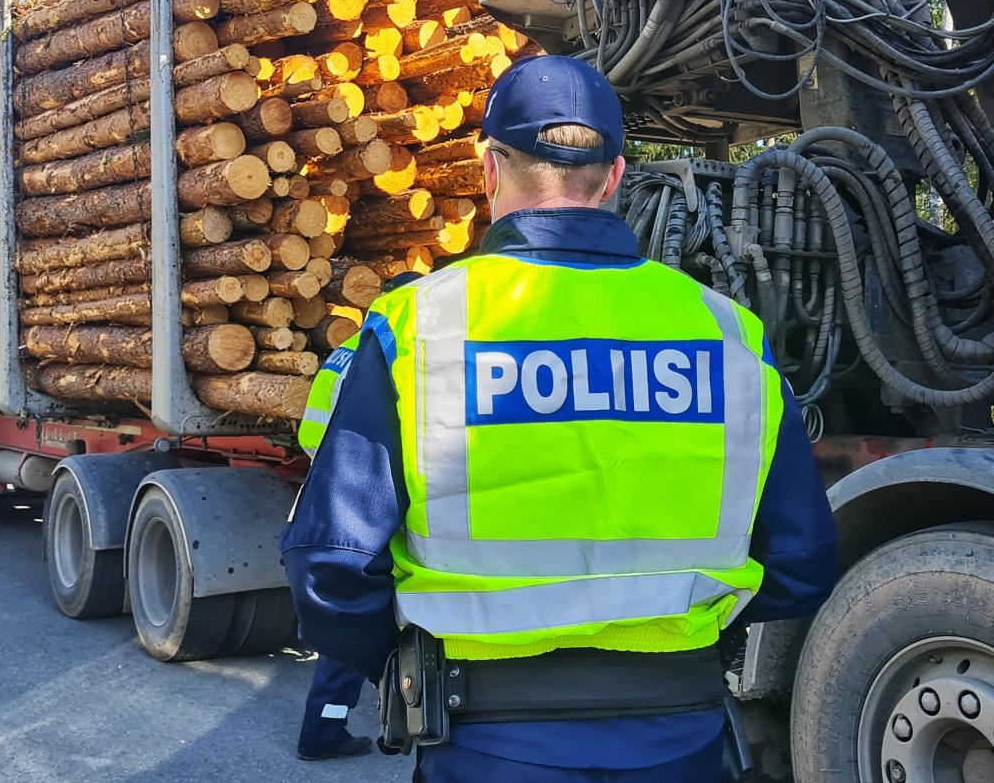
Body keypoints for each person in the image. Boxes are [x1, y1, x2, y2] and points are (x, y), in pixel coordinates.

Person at [281, 54, 838, 782]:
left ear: (487, 170)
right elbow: (802, 561)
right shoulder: (728, 333)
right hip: (684, 737)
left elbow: (328, 563)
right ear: (614, 176)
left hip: (484, 741)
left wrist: (403, 662)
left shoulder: (418, 326)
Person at [292, 271, 423, 763]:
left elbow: (311, 435)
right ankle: (326, 731)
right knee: (397, 611)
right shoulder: (403, 352)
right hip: (390, 501)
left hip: (348, 500)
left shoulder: (340, 356)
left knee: (353, 610)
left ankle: (331, 724)